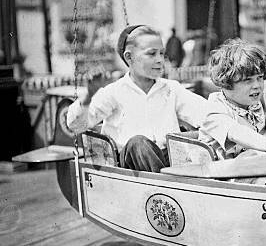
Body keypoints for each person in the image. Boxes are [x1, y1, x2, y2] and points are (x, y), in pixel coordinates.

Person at [66, 24, 208, 172]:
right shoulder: (114, 92)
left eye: (162, 53)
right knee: (138, 143)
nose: (160, 60)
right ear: (129, 57)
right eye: (152, 54)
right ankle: (166, 186)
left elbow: (207, 114)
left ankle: (168, 184)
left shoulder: (171, 89)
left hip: (166, 160)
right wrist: (88, 97)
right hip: (130, 165)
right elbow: (75, 126)